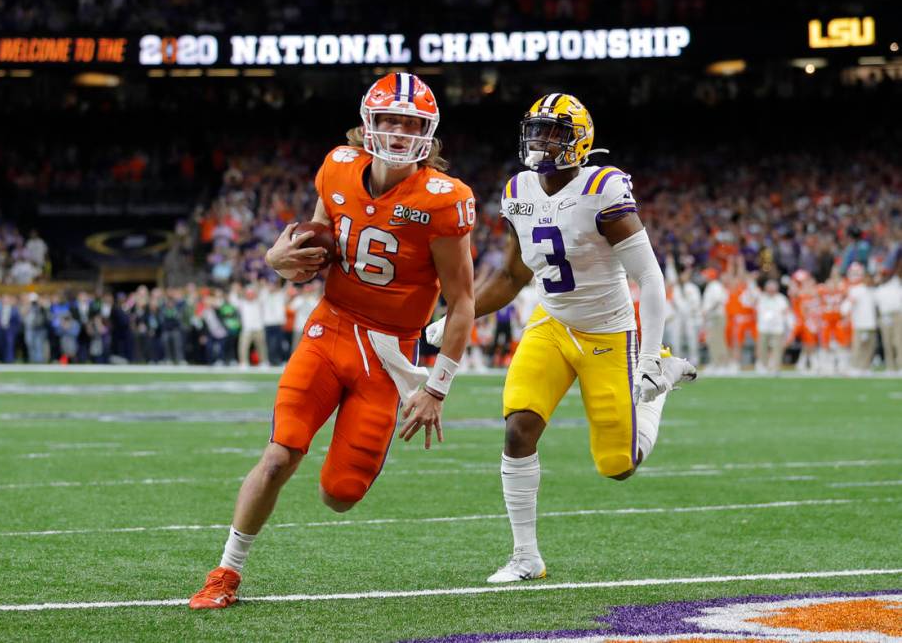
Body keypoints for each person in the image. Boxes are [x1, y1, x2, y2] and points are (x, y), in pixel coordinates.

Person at [189, 73, 475, 609]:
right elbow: (314, 246)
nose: (396, 131)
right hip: (331, 327)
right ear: (367, 123)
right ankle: (225, 572)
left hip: (388, 353)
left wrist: (436, 388)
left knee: (339, 494)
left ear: (427, 133)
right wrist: (278, 260)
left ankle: (348, 458)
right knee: (279, 455)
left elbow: (461, 303)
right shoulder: (338, 165)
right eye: (387, 119)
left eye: (409, 122)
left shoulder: (445, 199)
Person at [426, 93, 695, 584]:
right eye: (537, 130)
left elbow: (650, 278)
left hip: (608, 331)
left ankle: (659, 390)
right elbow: (511, 277)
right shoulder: (518, 190)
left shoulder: (602, 188)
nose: (542, 141)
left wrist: (652, 356)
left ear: (580, 140)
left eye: (555, 132)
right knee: (517, 427)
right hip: (551, 325)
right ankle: (526, 556)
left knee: (618, 465)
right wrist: (457, 317)